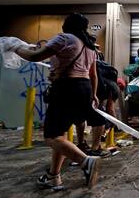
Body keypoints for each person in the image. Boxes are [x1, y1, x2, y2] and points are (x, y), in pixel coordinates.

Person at [15, 13, 105, 190]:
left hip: (66, 88)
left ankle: (85, 161)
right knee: (61, 135)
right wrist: (93, 95)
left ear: (67, 25)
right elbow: (93, 75)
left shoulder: (64, 38)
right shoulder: (90, 46)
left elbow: (35, 56)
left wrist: (15, 47)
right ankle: (53, 175)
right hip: (84, 88)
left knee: (52, 136)